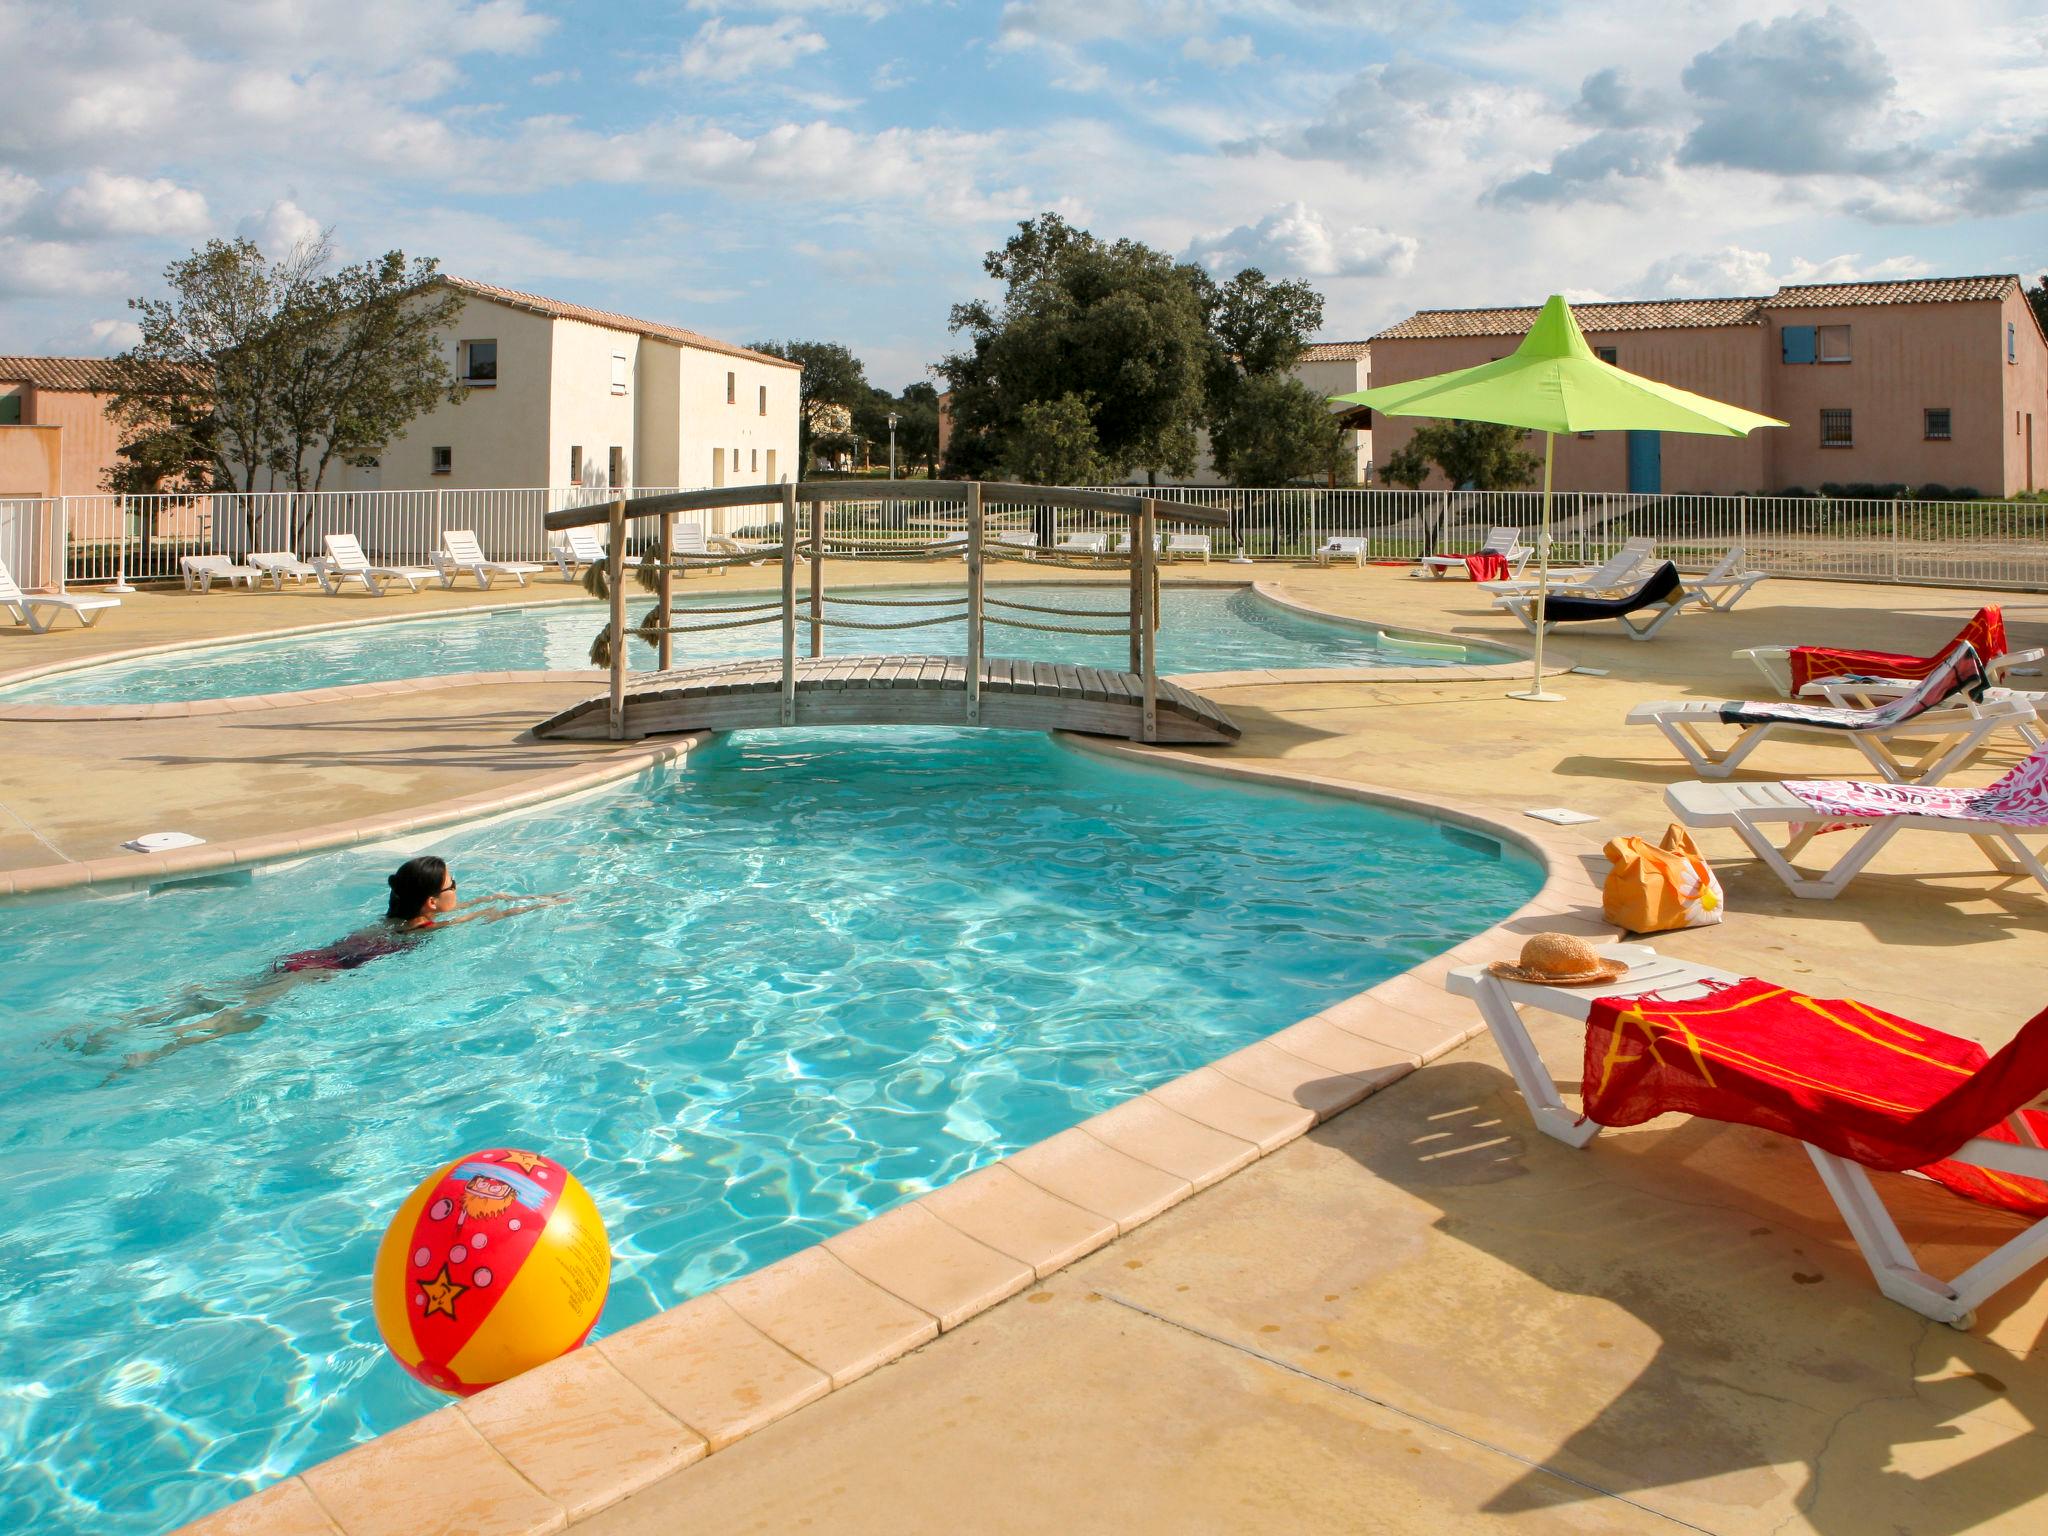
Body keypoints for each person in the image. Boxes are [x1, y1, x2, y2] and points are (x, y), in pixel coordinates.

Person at [77, 856, 565, 1070]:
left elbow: (482, 909)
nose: (460, 890)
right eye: (454, 886)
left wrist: (497, 898)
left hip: (304, 959)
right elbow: (490, 917)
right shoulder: (426, 931)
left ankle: (113, 1026)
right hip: (318, 975)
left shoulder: (393, 919)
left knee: (208, 994)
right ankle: (152, 1053)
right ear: (432, 904)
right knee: (239, 1017)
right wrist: (537, 902)